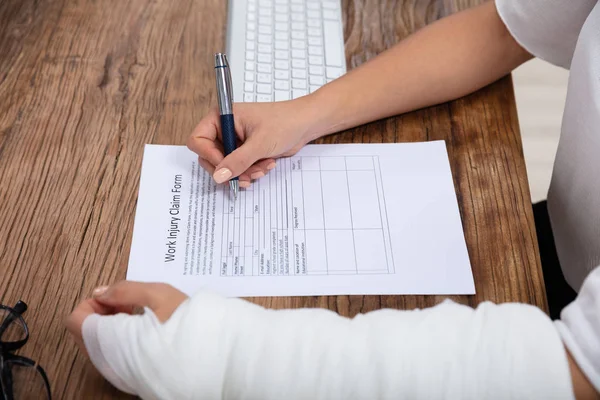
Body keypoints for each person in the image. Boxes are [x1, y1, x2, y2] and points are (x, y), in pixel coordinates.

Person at [66, 0, 600, 398]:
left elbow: (574, 369)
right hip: (560, 246)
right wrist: (305, 115)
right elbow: (503, 28)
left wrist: (209, 353)